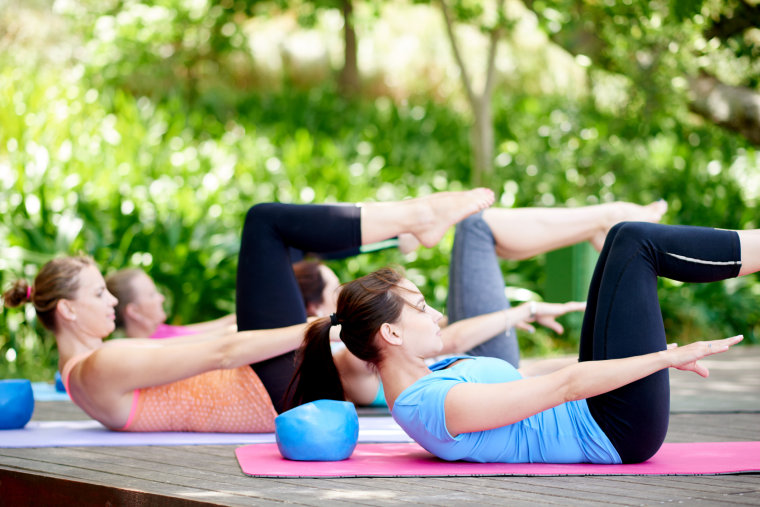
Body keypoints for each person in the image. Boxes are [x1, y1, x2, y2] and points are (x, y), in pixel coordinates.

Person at [2, 189, 494, 431]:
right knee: (265, 225)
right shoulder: (99, 365)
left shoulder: (83, 372)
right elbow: (221, 354)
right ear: (65, 312)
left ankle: (405, 229)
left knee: (285, 250)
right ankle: (415, 218)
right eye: (97, 295)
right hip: (270, 388)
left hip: (273, 389)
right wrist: (317, 327)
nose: (112, 299)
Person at [287, 220, 752, 463]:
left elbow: (548, 386)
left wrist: (651, 358)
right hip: (613, 429)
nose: (437, 315)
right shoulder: (430, 405)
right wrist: (660, 359)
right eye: (422, 307)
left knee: (620, 240)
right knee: (636, 243)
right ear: (390, 332)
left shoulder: (426, 380)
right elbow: (564, 387)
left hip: (597, 410)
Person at [105, 268, 236, 339]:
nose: (160, 298)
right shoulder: (144, 349)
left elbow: (217, 326)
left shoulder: (161, 330)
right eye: (152, 295)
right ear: (134, 311)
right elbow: (216, 337)